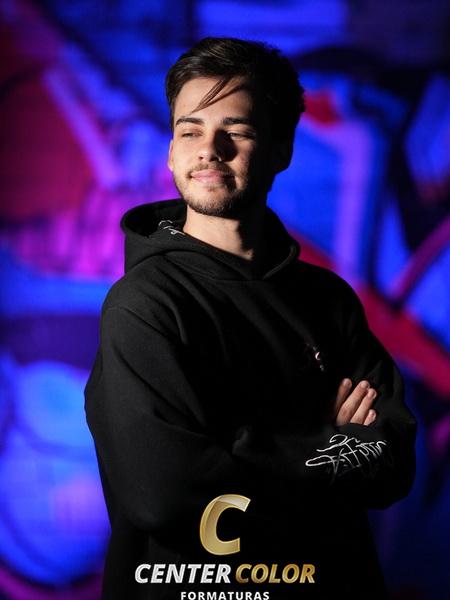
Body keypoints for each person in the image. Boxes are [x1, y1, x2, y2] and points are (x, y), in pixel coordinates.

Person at [84, 37, 417, 599]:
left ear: (281, 149)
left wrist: (239, 453)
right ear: (171, 152)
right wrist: (330, 445)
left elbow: (393, 458)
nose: (209, 150)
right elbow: (166, 496)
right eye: (190, 131)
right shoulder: (144, 306)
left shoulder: (328, 300)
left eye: (235, 131)